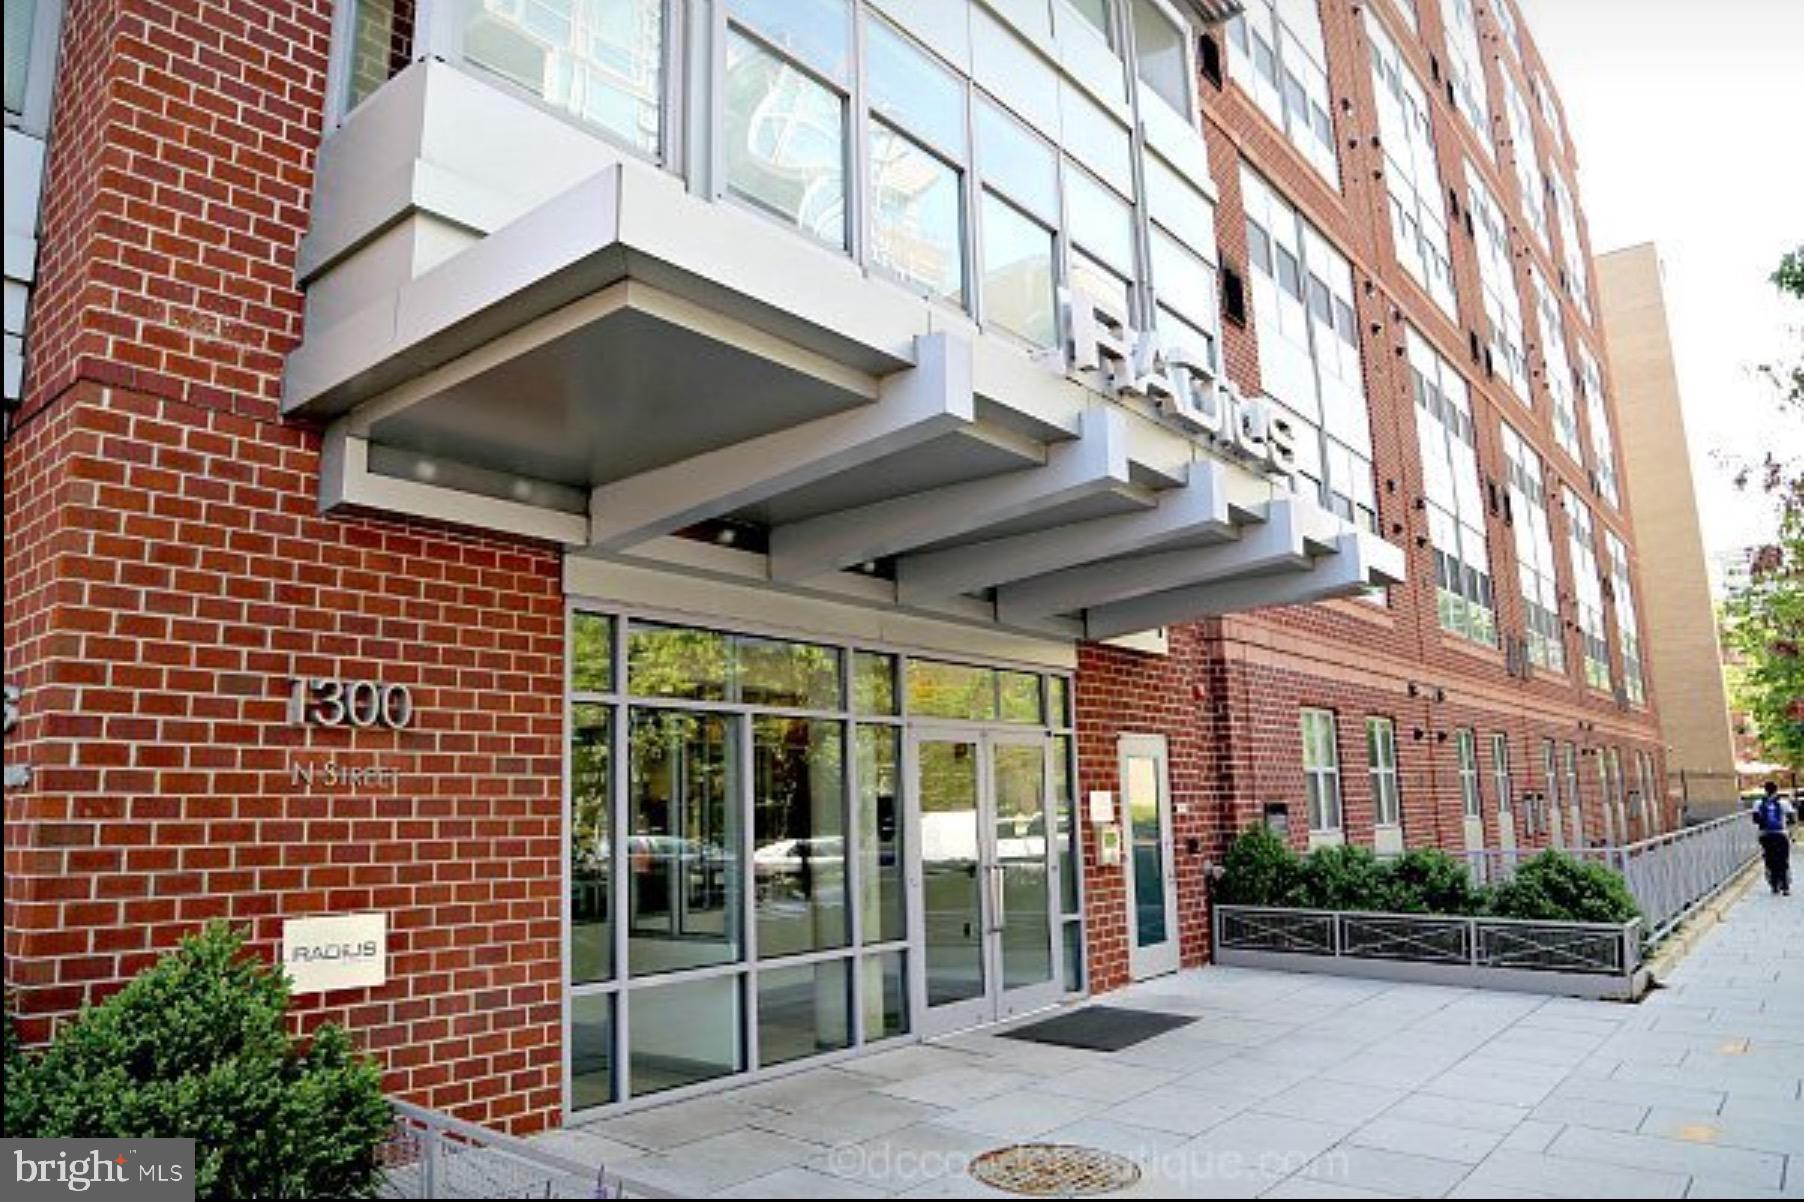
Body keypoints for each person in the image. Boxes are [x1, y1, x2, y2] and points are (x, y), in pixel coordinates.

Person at [1753, 781, 1795, 896]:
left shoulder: (1758, 803)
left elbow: (1755, 820)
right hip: (1781, 834)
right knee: (1783, 859)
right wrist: (1791, 833)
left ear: (1765, 790)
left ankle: (1774, 885)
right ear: (1777, 790)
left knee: (1770, 859)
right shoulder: (1784, 803)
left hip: (1765, 835)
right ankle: (1785, 886)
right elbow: (1792, 820)